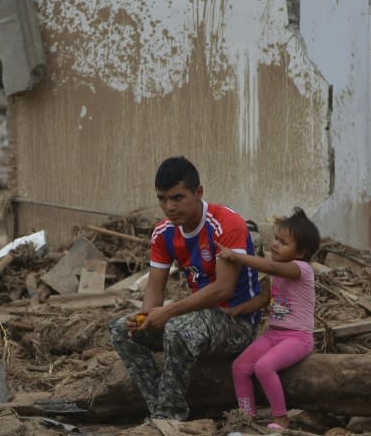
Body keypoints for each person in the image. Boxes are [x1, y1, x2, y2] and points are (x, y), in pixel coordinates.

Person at [109, 156, 262, 421]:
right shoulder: (163, 232)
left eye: (177, 198)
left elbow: (223, 289)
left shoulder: (226, 224)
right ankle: (157, 408)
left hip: (236, 323)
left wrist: (167, 313)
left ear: (198, 192)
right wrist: (146, 317)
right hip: (198, 321)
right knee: (123, 329)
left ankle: (171, 416)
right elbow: (155, 288)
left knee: (179, 328)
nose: (169, 206)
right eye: (162, 199)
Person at [217, 207, 320, 430]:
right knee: (240, 367)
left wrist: (237, 256)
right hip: (274, 334)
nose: (274, 244)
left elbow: (270, 265)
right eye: (276, 238)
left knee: (264, 367)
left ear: (301, 252)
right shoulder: (278, 271)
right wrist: (238, 310)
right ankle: (247, 416)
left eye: (282, 242)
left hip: (298, 338)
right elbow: (265, 297)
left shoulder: (301, 269)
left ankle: (281, 417)